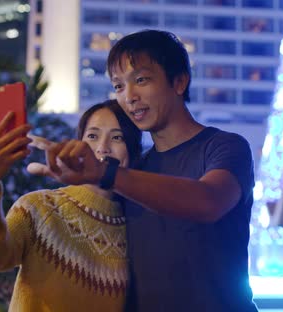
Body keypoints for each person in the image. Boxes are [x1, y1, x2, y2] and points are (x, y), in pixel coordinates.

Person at [29, 29, 258, 311]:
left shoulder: (223, 147)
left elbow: (208, 201)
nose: (130, 97)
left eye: (141, 80)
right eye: (118, 86)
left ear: (179, 81)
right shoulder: (136, 168)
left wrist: (106, 174)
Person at [0, 99, 142, 311]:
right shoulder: (40, 207)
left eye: (117, 137)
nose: (103, 148)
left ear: (133, 150)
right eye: (92, 136)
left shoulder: (137, 228)